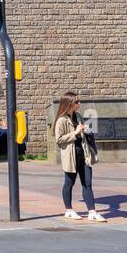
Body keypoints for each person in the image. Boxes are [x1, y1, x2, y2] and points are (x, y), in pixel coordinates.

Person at [53, 91, 105, 221]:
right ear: (69, 103)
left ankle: (92, 212)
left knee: (87, 183)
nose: (79, 104)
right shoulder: (61, 120)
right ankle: (68, 210)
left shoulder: (78, 116)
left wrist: (86, 131)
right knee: (69, 183)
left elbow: (83, 134)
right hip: (71, 156)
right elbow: (59, 139)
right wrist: (75, 133)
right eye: (77, 102)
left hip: (84, 155)